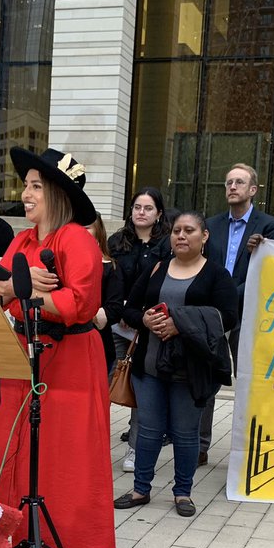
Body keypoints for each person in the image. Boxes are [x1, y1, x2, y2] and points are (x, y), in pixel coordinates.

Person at [0, 147, 114, 548]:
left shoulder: (77, 239)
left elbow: (80, 306)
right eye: (27, 184)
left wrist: (23, 290)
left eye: (35, 185)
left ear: (56, 194)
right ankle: (18, 532)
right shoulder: (24, 240)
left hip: (69, 361)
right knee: (12, 447)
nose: (25, 192)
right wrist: (18, 288)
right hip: (21, 354)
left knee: (65, 457)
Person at [116, 212, 236, 518]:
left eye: (189, 230)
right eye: (177, 231)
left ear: (204, 236)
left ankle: (183, 492)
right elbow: (128, 308)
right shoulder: (157, 267)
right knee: (148, 430)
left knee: (185, 434)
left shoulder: (216, 275)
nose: (181, 236)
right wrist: (142, 319)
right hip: (150, 366)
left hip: (191, 370)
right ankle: (141, 488)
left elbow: (228, 317)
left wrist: (180, 324)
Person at [202, 164, 274, 464]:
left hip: (248, 313)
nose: (232, 187)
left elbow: (266, 270)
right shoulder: (212, 224)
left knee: (248, 379)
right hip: (213, 314)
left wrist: (227, 298)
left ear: (253, 190)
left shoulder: (268, 225)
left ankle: (249, 447)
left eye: (239, 182)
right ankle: (199, 445)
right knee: (207, 377)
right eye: (228, 182)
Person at [108, 187, 171, 472]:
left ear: (158, 213)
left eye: (147, 208)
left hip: (148, 326)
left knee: (140, 391)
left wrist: (140, 316)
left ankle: (135, 448)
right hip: (116, 324)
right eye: (137, 207)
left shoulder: (167, 245)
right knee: (108, 382)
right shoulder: (117, 242)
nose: (141, 212)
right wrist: (122, 312)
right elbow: (110, 279)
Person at [89, 213, 125, 373]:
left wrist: (81, 313)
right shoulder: (60, 264)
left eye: (86, 228)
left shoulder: (111, 268)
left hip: (98, 345)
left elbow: (115, 310)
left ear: (98, 231)